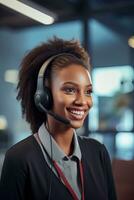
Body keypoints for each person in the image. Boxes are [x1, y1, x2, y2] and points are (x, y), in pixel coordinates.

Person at [0, 37, 117, 200]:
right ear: (43, 96)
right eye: (69, 90)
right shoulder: (19, 158)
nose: (82, 101)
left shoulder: (98, 152)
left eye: (88, 91)